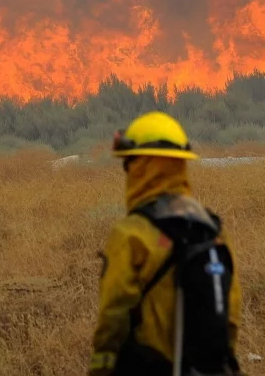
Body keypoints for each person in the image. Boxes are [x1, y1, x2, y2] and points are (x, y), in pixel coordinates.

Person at [88, 111, 243, 376]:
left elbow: (113, 317)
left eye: (129, 163)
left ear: (144, 165)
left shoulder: (131, 234)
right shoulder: (212, 230)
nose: (128, 172)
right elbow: (230, 315)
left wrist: (101, 368)